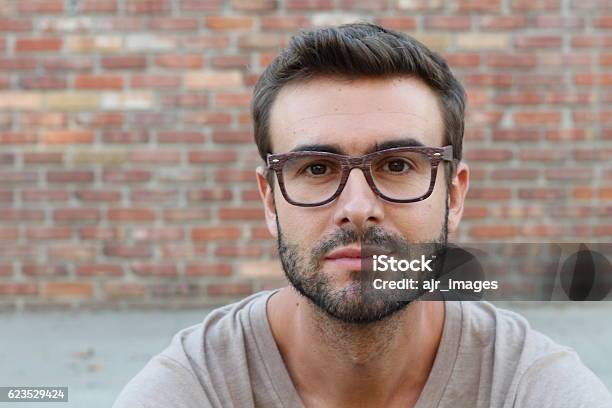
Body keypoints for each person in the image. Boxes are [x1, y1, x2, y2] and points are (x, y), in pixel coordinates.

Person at [113, 23, 612, 407]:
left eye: (397, 165)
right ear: (270, 199)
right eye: (315, 168)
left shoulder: (528, 384)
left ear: (453, 196)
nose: (357, 209)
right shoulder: (195, 388)